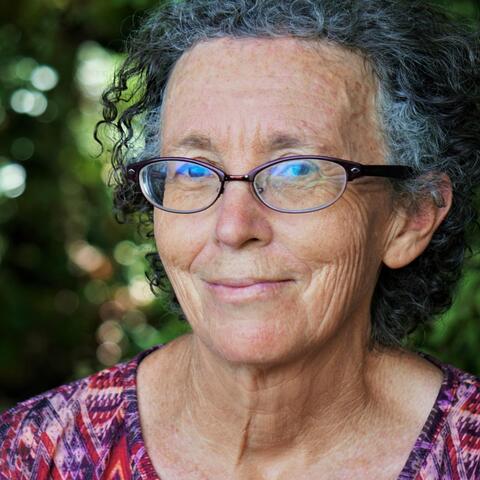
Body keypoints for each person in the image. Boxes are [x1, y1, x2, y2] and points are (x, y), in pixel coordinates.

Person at [1, 0, 480, 478]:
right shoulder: (31, 456)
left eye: (297, 170)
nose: (233, 227)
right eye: (191, 169)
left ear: (410, 216)